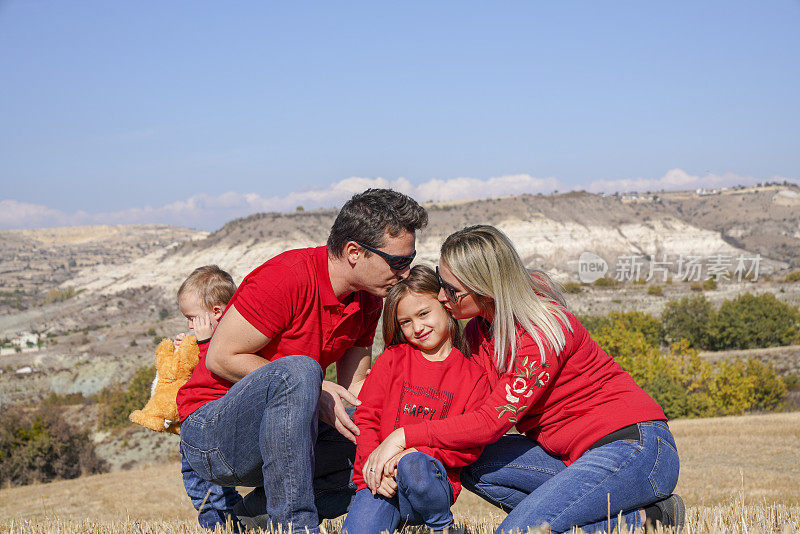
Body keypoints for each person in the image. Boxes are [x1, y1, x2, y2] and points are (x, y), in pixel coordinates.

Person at [363, 225, 684, 534]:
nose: (443, 298)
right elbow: (467, 415)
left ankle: (621, 514)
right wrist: (412, 453)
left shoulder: (540, 331)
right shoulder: (479, 330)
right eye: (441, 282)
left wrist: (404, 437)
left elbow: (491, 422)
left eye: (452, 291)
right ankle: (640, 521)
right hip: (566, 458)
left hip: (631, 448)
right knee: (470, 459)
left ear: (485, 286)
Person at [176, 188, 428, 534]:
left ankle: (251, 519)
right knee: (302, 370)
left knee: (371, 440)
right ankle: (295, 526)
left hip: (289, 432)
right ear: (354, 252)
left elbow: (354, 388)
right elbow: (221, 357)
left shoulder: (368, 301)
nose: (404, 272)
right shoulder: (288, 276)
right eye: (397, 261)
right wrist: (313, 386)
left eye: (409, 261)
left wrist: (404, 426)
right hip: (211, 435)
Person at [342, 266, 490, 534]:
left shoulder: (473, 376)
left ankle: (441, 527)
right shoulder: (392, 359)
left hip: (430, 483)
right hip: (381, 482)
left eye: (424, 314)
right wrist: (373, 467)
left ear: (445, 305)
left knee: (414, 465)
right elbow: (366, 417)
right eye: (406, 322)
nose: (417, 327)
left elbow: (469, 444)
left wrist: (413, 455)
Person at [173, 265, 243, 531]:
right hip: (193, 423)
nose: (190, 325)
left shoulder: (226, 342)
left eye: (192, 318)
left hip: (208, 425)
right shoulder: (207, 339)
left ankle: (223, 526)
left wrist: (204, 346)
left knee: (209, 493)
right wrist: (188, 351)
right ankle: (234, 522)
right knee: (201, 488)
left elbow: (217, 374)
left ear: (217, 312)